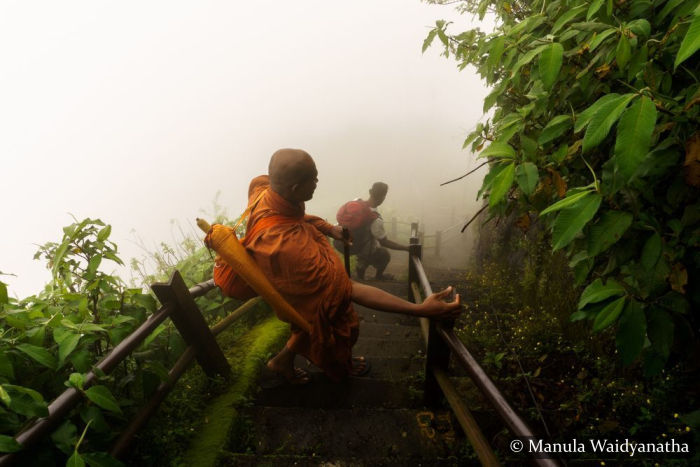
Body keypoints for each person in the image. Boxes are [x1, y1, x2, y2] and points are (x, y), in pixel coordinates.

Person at [212, 148, 461, 384]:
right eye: (314, 180)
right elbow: (348, 289)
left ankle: (281, 362)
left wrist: (328, 228)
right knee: (327, 314)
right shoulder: (290, 247)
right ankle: (335, 364)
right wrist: (420, 309)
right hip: (283, 268)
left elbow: (291, 214)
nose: (318, 183)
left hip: (284, 266)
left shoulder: (264, 193)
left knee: (309, 313)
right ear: (296, 188)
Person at [334, 182, 408, 280]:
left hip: (339, 241)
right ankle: (371, 276)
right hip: (355, 246)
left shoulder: (356, 201)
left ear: (370, 192)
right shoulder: (375, 218)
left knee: (368, 240)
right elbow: (384, 242)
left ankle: (361, 274)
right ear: (383, 197)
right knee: (384, 254)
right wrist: (406, 248)